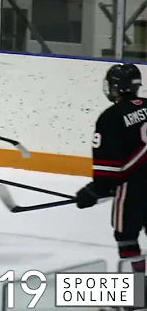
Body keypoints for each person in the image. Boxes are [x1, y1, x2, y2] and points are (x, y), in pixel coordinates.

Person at [75, 63, 147, 274]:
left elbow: (109, 167)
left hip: (133, 187)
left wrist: (95, 190)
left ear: (117, 87)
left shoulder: (111, 117)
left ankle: (137, 289)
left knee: (126, 236)